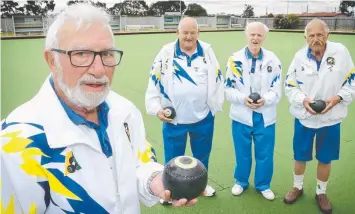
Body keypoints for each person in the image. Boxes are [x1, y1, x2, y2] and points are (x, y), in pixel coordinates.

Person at [0, 4, 199, 214]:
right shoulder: (15, 142)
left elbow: (140, 163)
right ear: (52, 60)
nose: (99, 69)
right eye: (81, 54)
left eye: (106, 54)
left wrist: (155, 180)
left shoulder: (126, 111)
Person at [145, 17, 224, 204]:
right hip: (174, 120)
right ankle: (169, 191)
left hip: (203, 117)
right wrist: (156, 109)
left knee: (202, 156)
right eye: (185, 32)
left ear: (198, 33)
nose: (189, 36)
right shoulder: (165, 53)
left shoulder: (207, 52)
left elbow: (218, 80)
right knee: (172, 159)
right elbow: (153, 81)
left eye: (192, 32)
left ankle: (201, 186)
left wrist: (214, 107)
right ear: (177, 32)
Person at [283, 18, 355, 214]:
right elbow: (290, 85)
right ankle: (297, 187)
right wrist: (303, 100)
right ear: (305, 37)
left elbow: (351, 81)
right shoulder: (299, 57)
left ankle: (321, 193)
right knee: (300, 156)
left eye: (320, 35)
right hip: (304, 117)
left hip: (330, 119)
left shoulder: (340, 52)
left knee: (325, 158)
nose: (316, 39)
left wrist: (338, 98)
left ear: (327, 35)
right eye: (312, 35)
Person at [224, 22, 282, 200]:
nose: (255, 38)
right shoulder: (234, 59)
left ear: (264, 37)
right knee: (242, 151)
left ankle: (263, 185)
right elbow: (228, 89)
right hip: (241, 115)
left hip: (265, 116)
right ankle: (241, 181)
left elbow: (277, 89)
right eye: (252, 35)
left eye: (259, 35)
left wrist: (266, 100)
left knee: (265, 153)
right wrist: (243, 99)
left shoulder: (273, 59)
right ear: (246, 35)